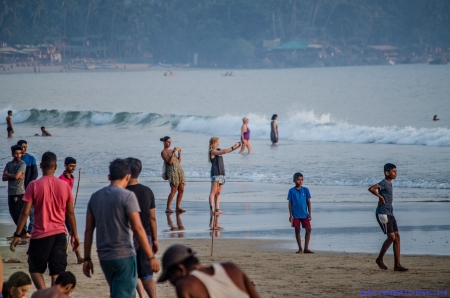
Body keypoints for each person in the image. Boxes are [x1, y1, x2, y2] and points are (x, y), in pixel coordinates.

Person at [83, 158, 160, 298]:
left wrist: (87, 258)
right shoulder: (127, 196)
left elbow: (88, 230)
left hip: (104, 256)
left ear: (108, 176)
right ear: (127, 176)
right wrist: (150, 256)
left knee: (117, 290)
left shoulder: (95, 197)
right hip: (123, 255)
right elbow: (138, 228)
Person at [9, 152, 80, 290]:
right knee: (56, 270)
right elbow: (70, 214)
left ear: (40, 166)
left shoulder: (33, 186)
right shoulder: (64, 186)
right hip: (60, 234)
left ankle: (43, 293)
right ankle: (52, 294)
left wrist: (18, 235)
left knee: (35, 268)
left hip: (40, 234)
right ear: (56, 167)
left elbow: (24, 213)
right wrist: (75, 235)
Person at [157, 244, 260, 298]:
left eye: (170, 276)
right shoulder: (232, 267)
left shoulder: (184, 285)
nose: (171, 282)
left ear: (180, 268)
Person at [125, 157, 158, 298]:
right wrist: (155, 239)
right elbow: (152, 218)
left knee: (131, 273)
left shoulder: (122, 192)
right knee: (147, 274)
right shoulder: (147, 191)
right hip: (146, 235)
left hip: (127, 236)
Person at [368, 163, 408, 271]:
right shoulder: (384, 183)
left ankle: (397, 265)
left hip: (390, 213)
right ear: (387, 173)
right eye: (393, 171)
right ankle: (379, 259)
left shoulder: (389, 183)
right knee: (391, 237)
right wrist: (380, 197)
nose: (396, 173)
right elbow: (371, 188)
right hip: (382, 213)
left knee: (397, 236)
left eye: (396, 171)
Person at [58, 157, 84, 264]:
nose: (73, 168)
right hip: (61, 211)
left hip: (68, 210)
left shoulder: (72, 178)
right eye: (71, 166)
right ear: (65, 166)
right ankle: (62, 255)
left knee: (73, 232)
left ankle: (78, 257)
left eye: (74, 166)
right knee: (61, 234)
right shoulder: (61, 179)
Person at [208, 137, 241, 214]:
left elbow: (227, 151)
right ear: (213, 143)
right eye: (217, 142)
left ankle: (217, 209)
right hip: (215, 174)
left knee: (218, 193)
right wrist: (233, 146)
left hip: (221, 174)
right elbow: (224, 152)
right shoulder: (212, 151)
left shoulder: (218, 149)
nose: (218, 143)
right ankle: (212, 210)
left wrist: (237, 146)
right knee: (213, 192)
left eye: (218, 142)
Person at [2, 145, 28, 237]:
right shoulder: (9, 164)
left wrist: (8, 174)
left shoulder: (22, 164)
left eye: (20, 153)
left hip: (19, 191)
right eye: (16, 153)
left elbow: (16, 177)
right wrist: (13, 176)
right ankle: (21, 232)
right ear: (12, 154)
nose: (18, 155)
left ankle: (23, 232)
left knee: (18, 212)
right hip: (10, 191)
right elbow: (3, 178)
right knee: (12, 212)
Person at [16, 140, 38, 236]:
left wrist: (30, 185)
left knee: (31, 211)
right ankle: (23, 230)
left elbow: (35, 173)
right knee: (21, 210)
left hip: (29, 187)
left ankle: (30, 230)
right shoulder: (17, 161)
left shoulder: (31, 159)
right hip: (19, 188)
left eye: (26, 146)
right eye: (22, 147)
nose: (24, 148)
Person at [287, 172, 313, 254]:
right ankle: (300, 249)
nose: (300, 181)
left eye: (302, 179)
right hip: (295, 214)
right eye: (298, 180)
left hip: (304, 213)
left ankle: (306, 248)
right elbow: (290, 203)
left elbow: (308, 202)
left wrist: (309, 213)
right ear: (294, 180)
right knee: (297, 230)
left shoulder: (306, 190)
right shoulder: (291, 191)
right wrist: (290, 215)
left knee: (308, 229)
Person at [160, 136, 186, 213]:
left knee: (181, 190)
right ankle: (168, 208)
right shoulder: (163, 152)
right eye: (168, 142)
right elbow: (170, 162)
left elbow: (178, 161)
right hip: (172, 172)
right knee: (173, 190)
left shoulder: (171, 150)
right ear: (164, 142)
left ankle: (178, 207)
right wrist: (173, 153)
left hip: (179, 171)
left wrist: (179, 154)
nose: (169, 143)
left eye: (170, 142)